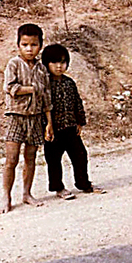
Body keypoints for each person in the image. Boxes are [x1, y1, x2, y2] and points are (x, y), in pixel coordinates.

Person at [0, 23, 53, 213]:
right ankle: (6, 196)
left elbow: (46, 97)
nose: (29, 49)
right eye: (25, 45)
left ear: (40, 45)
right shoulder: (13, 64)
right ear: (18, 45)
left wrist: (49, 124)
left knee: (30, 158)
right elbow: (11, 88)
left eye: (33, 45)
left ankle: (27, 193)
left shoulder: (41, 69)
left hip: (36, 118)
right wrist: (32, 89)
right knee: (11, 159)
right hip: (16, 117)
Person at [41, 43, 104, 200]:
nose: (59, 66)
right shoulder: (44, 85)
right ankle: (59, 188)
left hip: (70, 127)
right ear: (46, 64)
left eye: (63, 62)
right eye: (54, 62)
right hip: (53, 130)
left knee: (80, 155)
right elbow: (41, 106)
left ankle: (84, 183)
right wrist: (44, 127)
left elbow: (77, 102)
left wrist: (80, 122)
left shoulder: (69, 83)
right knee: (54, 160)